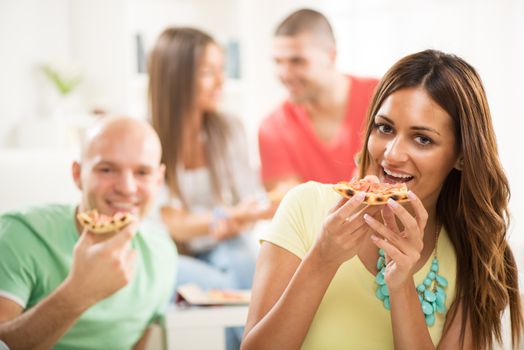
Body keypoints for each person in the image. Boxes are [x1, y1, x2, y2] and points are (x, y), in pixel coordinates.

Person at [242, 50, 523, 349]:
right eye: (385, 128)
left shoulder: (472, 257)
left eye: (423, 139)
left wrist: (402, 286)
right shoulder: (305, 206)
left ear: (462, 157)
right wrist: (321, 260)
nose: (391, 154)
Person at [0, 117, 177, 349]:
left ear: (158, 180)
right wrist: (77, 293)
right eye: (107, 169)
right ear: (77, 174)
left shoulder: (163, 254)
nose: (127, 187)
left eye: (142, 172)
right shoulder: (19, 234)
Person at [148, 27, 272, 349]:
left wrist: (249, 211)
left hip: (222, 243)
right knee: (224, 285)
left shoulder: (228, 128)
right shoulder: (149, 137)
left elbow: (251, 198)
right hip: (168, 251)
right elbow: (172, 223)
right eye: (208, 72)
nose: (221, 82)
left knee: (246, 256)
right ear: (177, 77)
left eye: (221, 70)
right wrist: (226, 216)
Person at [258, 8, 378, 192]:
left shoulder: (381, 97)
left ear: (331, 56)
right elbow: (292, 209)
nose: (284, 74)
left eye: (297, 61)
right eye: (278, 62)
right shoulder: (272, 128)